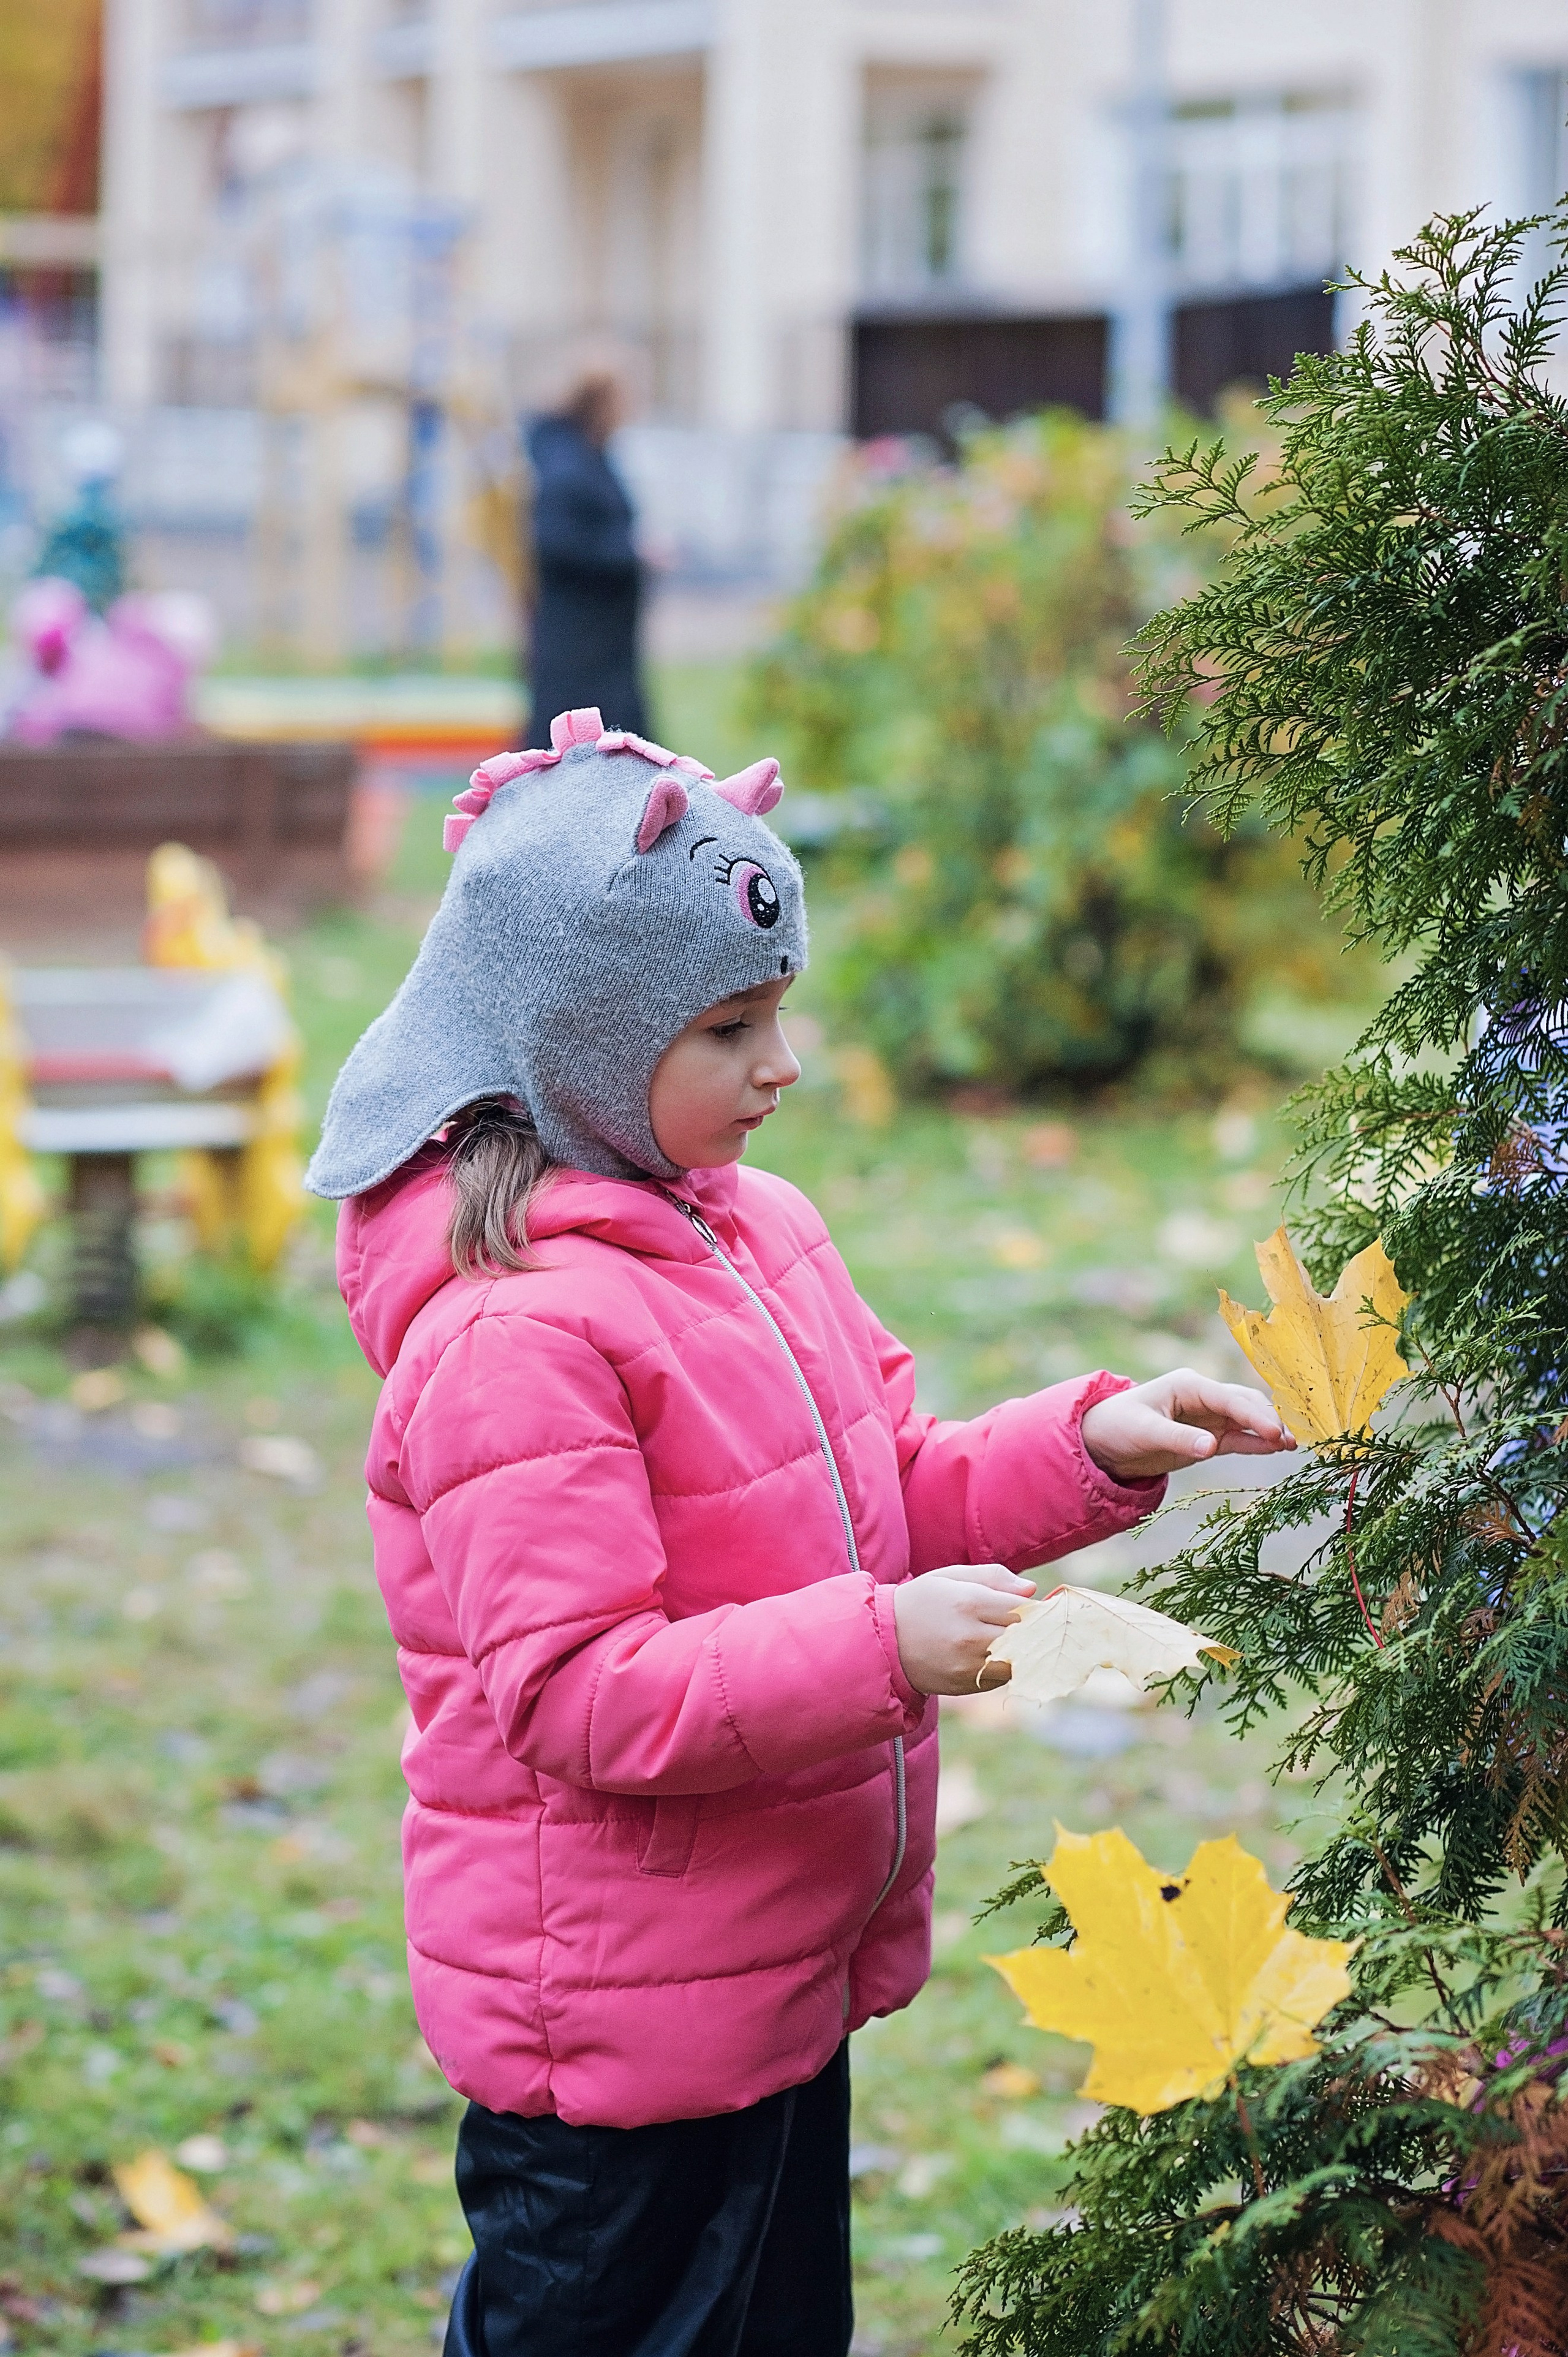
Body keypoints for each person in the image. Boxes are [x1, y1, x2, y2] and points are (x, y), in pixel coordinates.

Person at [306, 707, 1293, 2357]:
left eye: (782, 1011)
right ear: (580, 1045)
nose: (786, 1063)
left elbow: (883, 1485)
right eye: (731, 1026)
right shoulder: (514, 1338)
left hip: (769, 1974)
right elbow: (583, 1694)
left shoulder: (750, 1231)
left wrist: (1090, 1438)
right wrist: (878, 1643)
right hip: (619, 2026)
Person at [524, 375, 650, 738]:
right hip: (578, 636)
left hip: (601, 634)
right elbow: (556, 542)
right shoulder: (566, 465)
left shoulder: (587, 455)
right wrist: (627, 553)